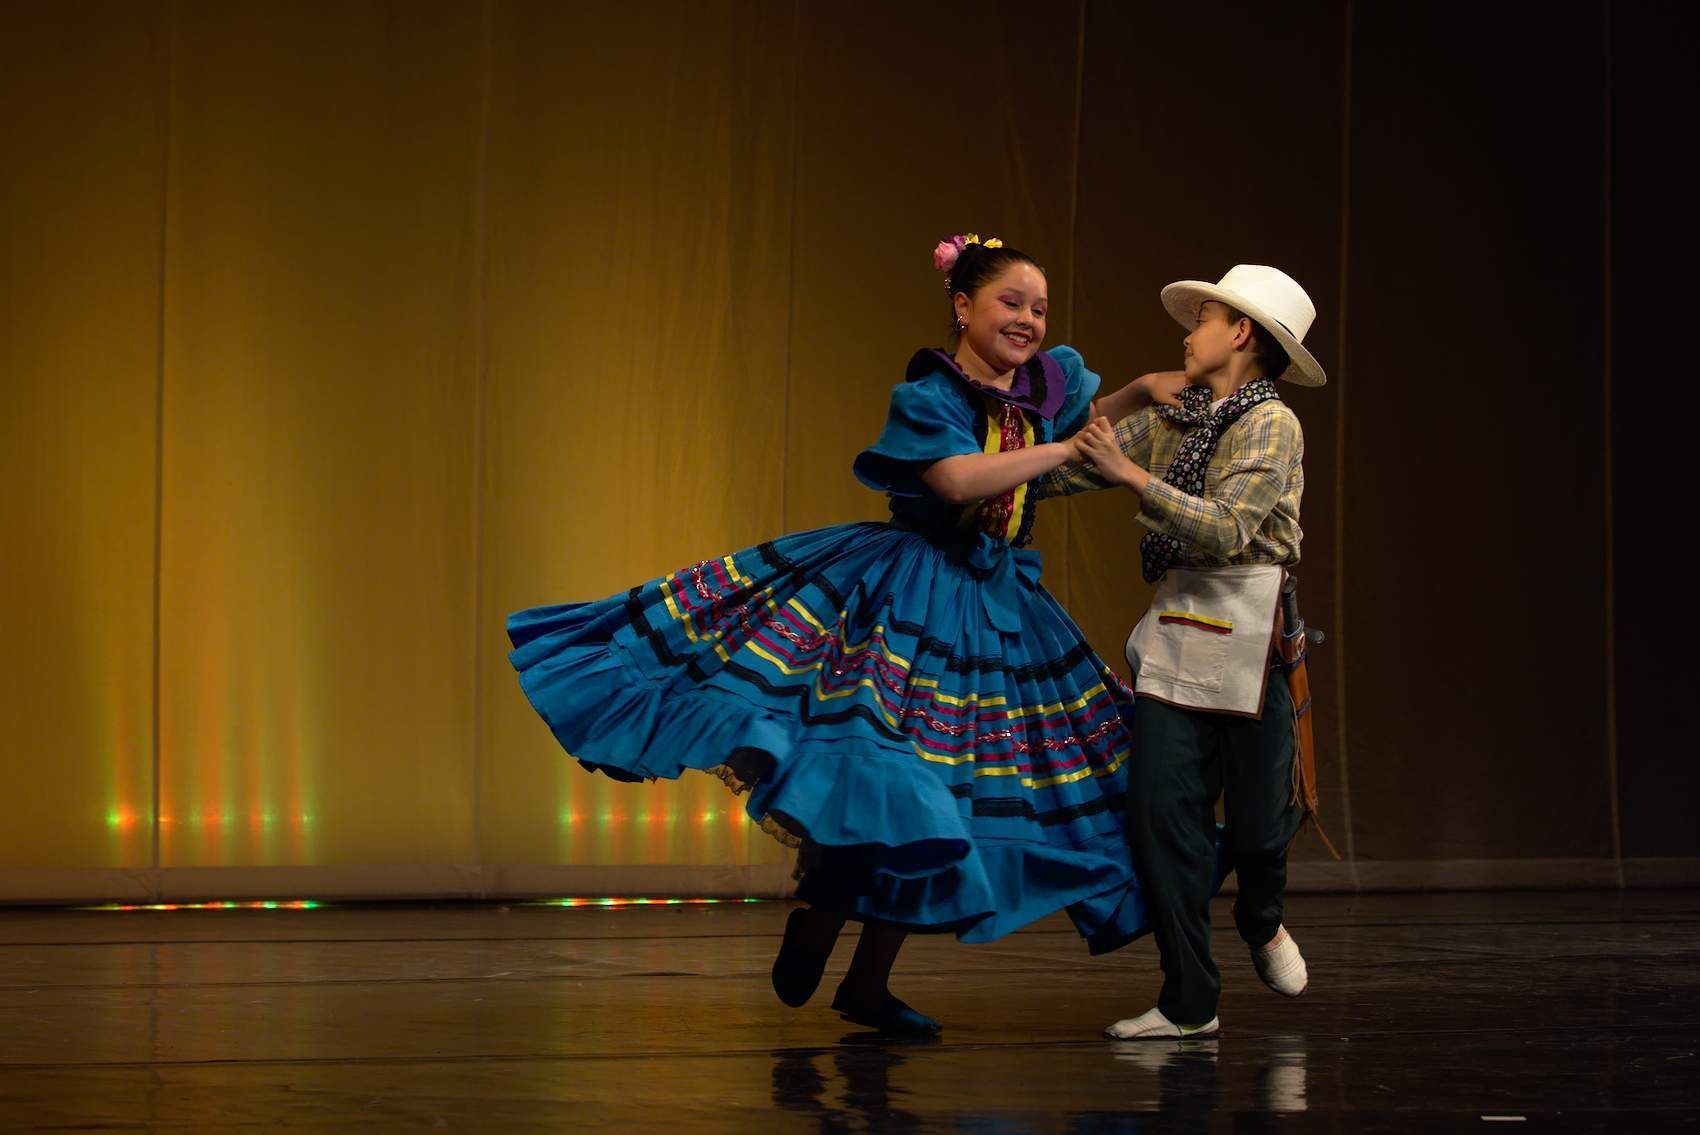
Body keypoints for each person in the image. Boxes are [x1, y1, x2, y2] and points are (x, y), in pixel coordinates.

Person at [507, 234, 1166, 1035]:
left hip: (997, 605)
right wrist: (1066, 446)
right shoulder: (931, 394)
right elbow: (956, 477)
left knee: (946, 793)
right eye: (1011, 303)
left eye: (1039, 308)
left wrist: (1142, 392)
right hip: (909, 595)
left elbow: (1082, 419)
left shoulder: (1039, 392)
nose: (1028, 319)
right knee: (880, 771)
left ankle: (868, 980)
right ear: (963, 306)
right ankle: (818, 915)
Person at [1039, 265, 1327, 1040]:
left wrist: (1129, 475)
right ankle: (1189, 998)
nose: (1186, 334)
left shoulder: (1273, 424)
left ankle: (1261, 917)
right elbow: (1073, 465)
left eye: (1201, 320)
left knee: (1263, 828)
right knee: (1161, 817)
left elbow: (1229, 526)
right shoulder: (1179, 415)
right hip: (1179, 628)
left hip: (1253, 629)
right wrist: (1014, 465)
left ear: (1239, 333)